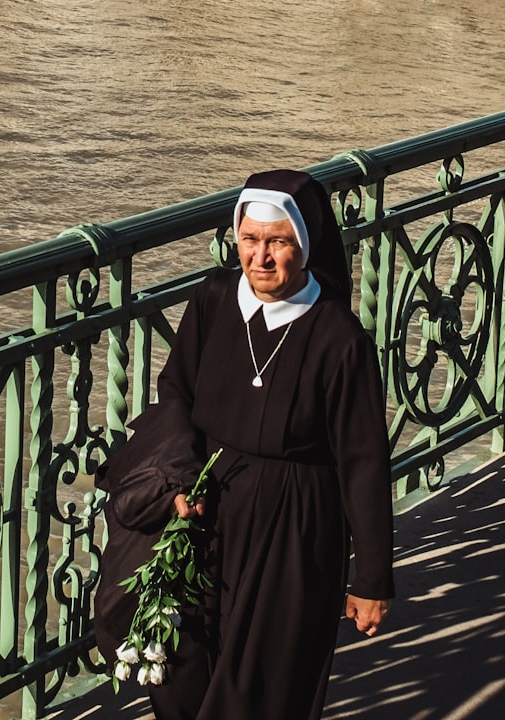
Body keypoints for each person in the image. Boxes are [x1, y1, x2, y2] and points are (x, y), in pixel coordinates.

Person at [94, 169, 395, 720]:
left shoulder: (340, 338)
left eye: (277, 241)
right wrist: (180, 481)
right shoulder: (212, 299)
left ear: (303, 244)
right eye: (250, 240)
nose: (260, 257)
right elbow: (176, 392)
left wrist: (372, 577)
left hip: (294, 527)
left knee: (264, 687)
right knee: (180, 668)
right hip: (203, 511)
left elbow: (363, 462)